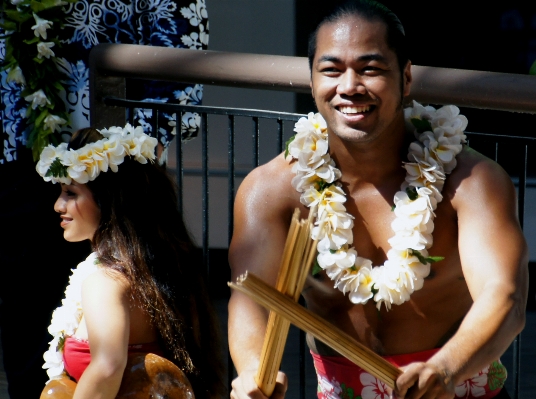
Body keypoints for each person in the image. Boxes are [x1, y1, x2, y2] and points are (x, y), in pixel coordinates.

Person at [227, 1, 528, 399]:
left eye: (370, 69)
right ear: (312, 80)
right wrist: (251, 370)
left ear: (405, 79)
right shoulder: (271, 190)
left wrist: (446, 367)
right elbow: (251, 299)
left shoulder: (471, 181)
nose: (349, 86)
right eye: (331, 70)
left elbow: (504, 295)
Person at [36, 125, 224, 399]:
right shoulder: (161, 270)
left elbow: (107, 367)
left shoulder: (106, 281)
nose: (58, 205)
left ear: (110, 201)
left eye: (71, 193)